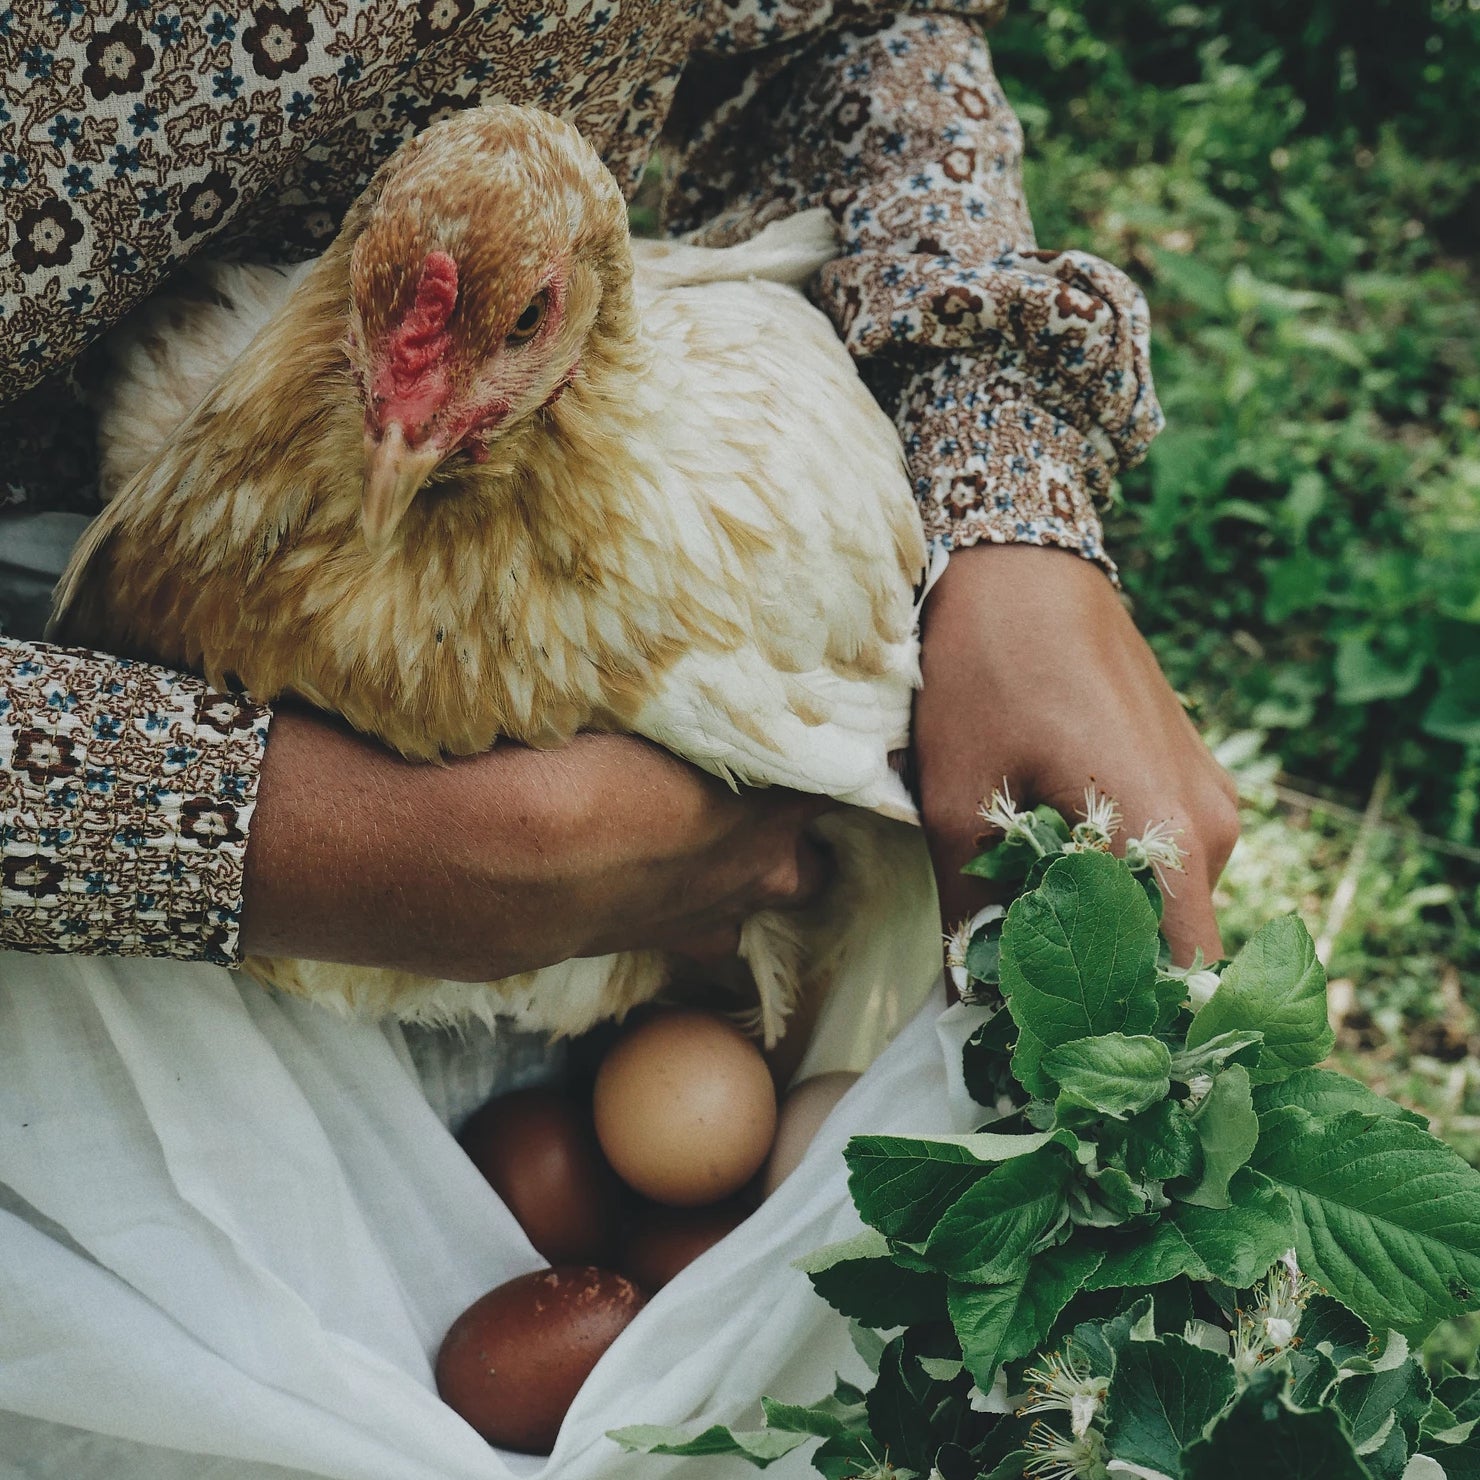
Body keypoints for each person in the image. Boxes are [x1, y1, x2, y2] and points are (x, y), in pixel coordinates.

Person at [0, 1, 1237, 986]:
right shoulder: (200, 425)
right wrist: (212, 832)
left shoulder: (733, 542)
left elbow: (837, 31)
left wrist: (999, 489)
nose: (402, 439)